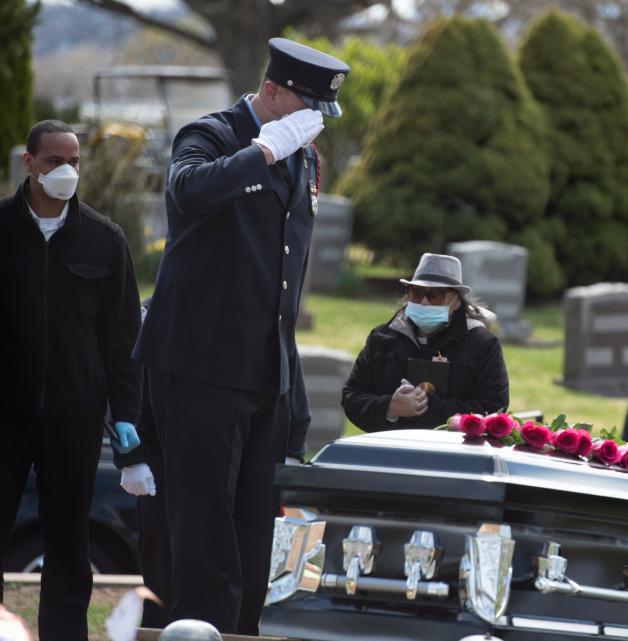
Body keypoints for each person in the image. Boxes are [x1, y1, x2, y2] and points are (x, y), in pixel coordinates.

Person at [132, 38, 348, 633]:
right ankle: (198, 629)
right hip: (198, 365)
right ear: (272, 91)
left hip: (263, 375)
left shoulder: (302, 154)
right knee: (203, 530)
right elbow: (189, 191)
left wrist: (292, 392)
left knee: (256, 533)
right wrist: (263, 150)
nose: (312, 124)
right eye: (304, 107)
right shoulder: (213, 134)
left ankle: (240, 632)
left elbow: (285, 277)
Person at [0, 120, 142, 640]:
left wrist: (127, 417)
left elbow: (123, 339)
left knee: (67, 549)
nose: (66, 171)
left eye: (75, 162)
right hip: (6, 416)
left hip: (74, 418)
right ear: (30, 163)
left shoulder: (104, 240)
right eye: (55, 160)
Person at [115, 298, 312, 628]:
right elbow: (129, 385)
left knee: (242, 569)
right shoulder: (153, 313)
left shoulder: (260, 316)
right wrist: (131, 457)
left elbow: (288, 377)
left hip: (239, 460)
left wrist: (292, 448)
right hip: (160, 462)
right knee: (167, 574)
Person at [342, 253, 509, 431]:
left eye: (435, 294)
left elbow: (493, 409)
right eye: (417, 292)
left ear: (456, 302)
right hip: (389, 448)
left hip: (452, 453)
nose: (424, 302)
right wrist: (390, 407)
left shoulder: (482, 344)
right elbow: (351, 397)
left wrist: (426, 408)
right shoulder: (381, 338)